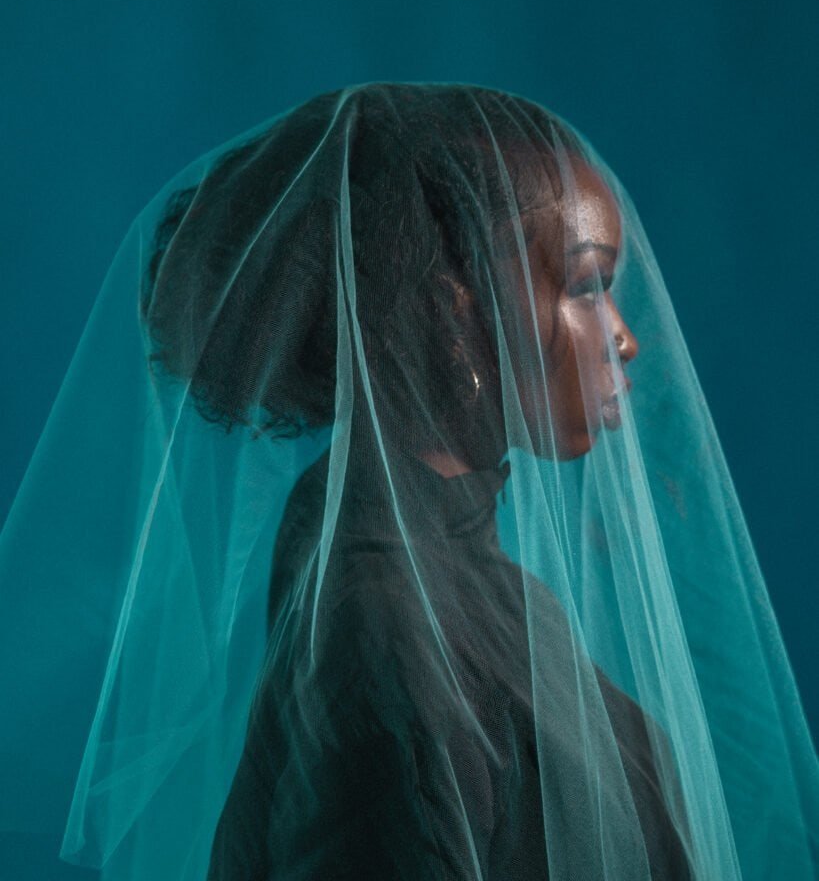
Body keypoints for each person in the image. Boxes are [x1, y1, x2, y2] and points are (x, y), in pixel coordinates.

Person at [0, 84, 816, 880]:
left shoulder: (479, 595)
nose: (624, 340)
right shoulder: (385, 630)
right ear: (449, 311)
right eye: (584, 286)